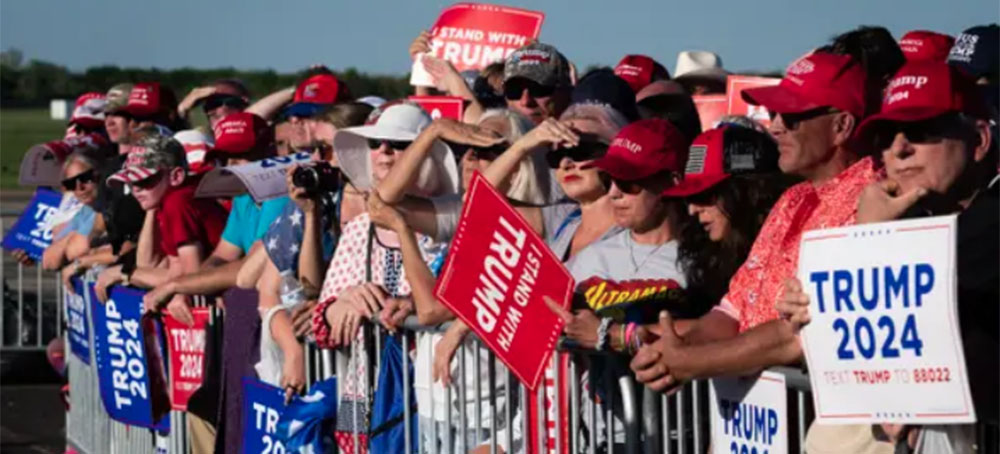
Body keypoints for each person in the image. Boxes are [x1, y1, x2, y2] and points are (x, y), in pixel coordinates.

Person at [779, 60, 997, 453]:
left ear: (979, 140)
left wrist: (869, 237)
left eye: (921, 131)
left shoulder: (992, 217)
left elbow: (915, 298)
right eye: (886, 136)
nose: (898, 149)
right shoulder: (924, 215)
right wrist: (807, 304)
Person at [629, 50, 880, 389]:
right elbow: (734, 309)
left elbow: (800, 334)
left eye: (791, 117)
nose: (775, 126)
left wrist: (691, 361)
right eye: (774, 113)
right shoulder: (793, 199)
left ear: (841, 125)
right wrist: (676, 350)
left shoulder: (874, 201)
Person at [310, 102, 455, 453]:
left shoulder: (451, 225)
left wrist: (406, 309)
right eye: (376, 144)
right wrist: (342, 304)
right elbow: (322, 323)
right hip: (364, 395)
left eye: (399, 144)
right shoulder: (360, 228)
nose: (385, 151)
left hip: (434, 397)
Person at [93, 129, 228, 321]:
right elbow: (157, 266)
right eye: (131, 182)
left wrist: (125, 274)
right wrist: (151, 207)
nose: (136, 189)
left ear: (176, 176)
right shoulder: (170, 200)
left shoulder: (179, 202)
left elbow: (192, 277)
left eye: (145, 180)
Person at [662, 124, 794, 314]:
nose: (692, 209)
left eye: (704, 196)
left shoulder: (791, 249)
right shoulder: (707, 255)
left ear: (748, 193)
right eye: (688, 198)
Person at [502, 42, 573, 124]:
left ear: (567, 92)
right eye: (514, 90)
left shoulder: (587, 134)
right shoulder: (490, 133)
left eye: (538, 89)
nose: (525, 101)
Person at [177, 79, 251, 128]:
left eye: (215, 104)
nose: (210, 112)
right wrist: (182, 109)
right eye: (207, 107)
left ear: (240, 104)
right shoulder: (203, 141)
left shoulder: (258, 142)